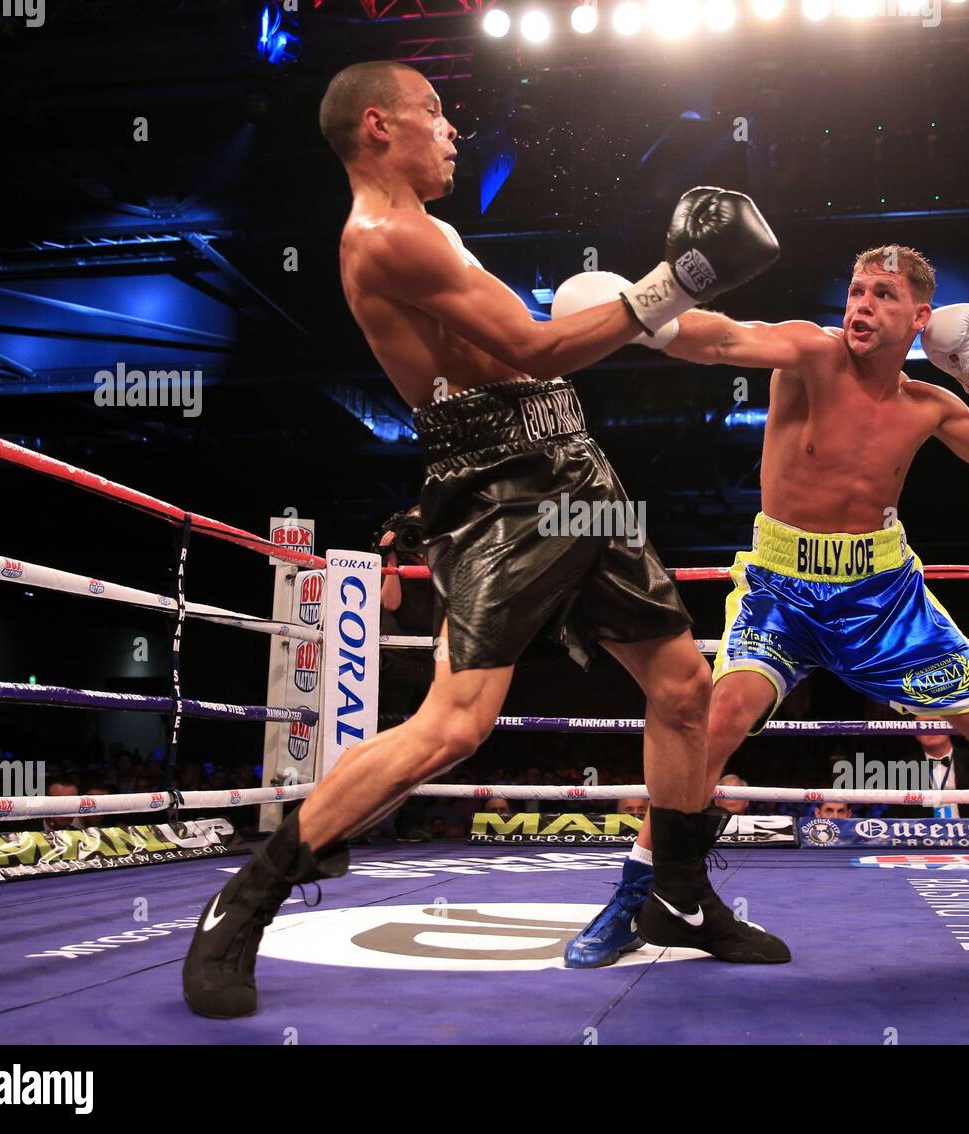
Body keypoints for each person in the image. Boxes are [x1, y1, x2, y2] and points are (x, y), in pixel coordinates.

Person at [183, 60, 787, 1019]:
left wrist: (654, 298)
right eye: (435, 112)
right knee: (457, 723)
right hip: (501, 486)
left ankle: (675, 895)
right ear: (379, 127)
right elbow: (537, 349)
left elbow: (534, 354)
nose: (454, 129)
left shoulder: (429, 229)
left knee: (682, 687)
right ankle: (242, 902)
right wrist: (682, 279)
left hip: (571, 464)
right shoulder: (387, 238)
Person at [561, 244, 969, 968]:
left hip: (883, 599)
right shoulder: (809, 352)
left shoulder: (928, 403)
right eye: (857, 290)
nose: (862, 305)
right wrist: (645, 316)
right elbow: (724, 336)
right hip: (782, 592)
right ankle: (639, 894)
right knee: (718, 716)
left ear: (921, 318)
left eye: (884, 295)